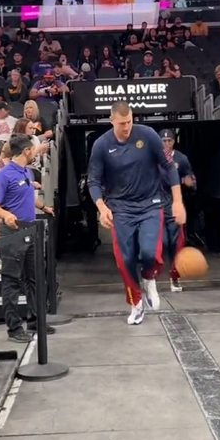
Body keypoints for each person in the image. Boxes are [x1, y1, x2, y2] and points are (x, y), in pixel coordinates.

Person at [87, 102, 186, 325]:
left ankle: (149, 277)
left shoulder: (148, 135)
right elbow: (93, 181)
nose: (127, 127)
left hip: (150, 204)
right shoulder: (101, 145)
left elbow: (169, 167)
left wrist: (178, 202)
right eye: (122, 123)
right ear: (112, 121)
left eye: (130, 121)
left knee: (150, 253)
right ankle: (136, 303)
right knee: (125, 259)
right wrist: (102, 207)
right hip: (120, 208)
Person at [0, 134, 54, 343]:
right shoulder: (3, 175)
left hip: (30, 231)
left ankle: (35, 320)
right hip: (12, 232)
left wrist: (44, 207)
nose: (35, 152)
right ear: (26, 151)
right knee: (11, 280)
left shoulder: (27, 172)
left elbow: (28, 196)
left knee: (33, 278)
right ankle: (14, 328)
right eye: (33, 149)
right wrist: (6, 215)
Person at [159, 129, 196, 292]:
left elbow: (191, 179)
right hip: (155, 204)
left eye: (170, 140)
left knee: (176, 243)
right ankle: (150, 277)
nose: (167, 143)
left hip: (175, 204)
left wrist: (189, 182)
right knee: (160, 242)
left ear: (174, 141)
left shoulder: (181, 159)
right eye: (164, 141)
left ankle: (175, 277)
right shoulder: (152, 157)